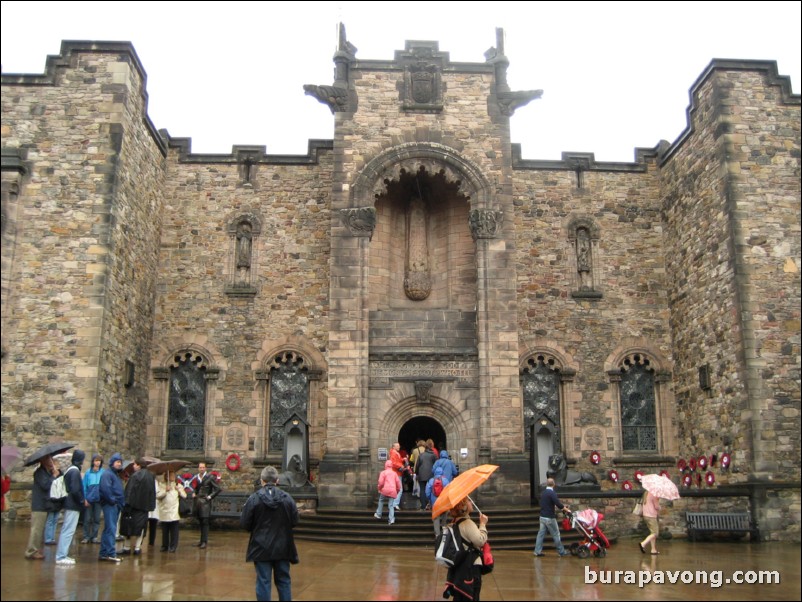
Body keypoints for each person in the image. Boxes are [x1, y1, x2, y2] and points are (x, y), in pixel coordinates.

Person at [241, 465, 300, 602]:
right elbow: (295, 521)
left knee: (263, 581)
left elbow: (245, 523)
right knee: (284, 581)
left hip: (261, 546)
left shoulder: (254, 499)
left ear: (262, 480)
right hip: (283, 547)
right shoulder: (288, 499)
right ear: (277, 480)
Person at [444, 498, 488, 601]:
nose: (471, 503)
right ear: (463, 506)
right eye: (468, 501)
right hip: (470, 567)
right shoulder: (467, 523)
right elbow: (480, 541)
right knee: (472, 596)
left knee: (460, 596)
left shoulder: (453, 523)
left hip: (459, 568)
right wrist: (483, 524)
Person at [25, 455, 59, 560]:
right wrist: (53, 476)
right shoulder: (40, 472)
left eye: (51, 459)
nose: (51, 461)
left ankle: (35, 549)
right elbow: (46, 485)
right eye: (48, 459)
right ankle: (31, 551)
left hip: (44, 505)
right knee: (36, 529)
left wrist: (55, 473)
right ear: (43, 461)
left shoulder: (46, 472)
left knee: (40, 530)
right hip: (39, 505)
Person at [121, 458, 157, 555]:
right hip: (144, 507)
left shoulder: (135, 476)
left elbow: (129, 491)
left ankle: (127, 547)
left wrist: (126, 504)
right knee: (141, 528)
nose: (133, 466)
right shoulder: (151, 476)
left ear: (139, 465)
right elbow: (152, 492)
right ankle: (137, 548)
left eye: (135, 464)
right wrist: (151, 506)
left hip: (133, 506)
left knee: (128, 527)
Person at [55, 449, 85, 565]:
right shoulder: (75, 471)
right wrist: (82, 501)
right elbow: (75, 489)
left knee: (67, 530)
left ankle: (62, 554)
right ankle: (61, 556)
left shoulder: (70, 470)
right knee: (68, 530)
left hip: (70, 503)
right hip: (73, 504)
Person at [98, 452, 125, 563]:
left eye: (120, 462)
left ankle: (104, 553)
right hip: (110, 505)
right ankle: (110, 553)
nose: (119, 464)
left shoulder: (115, 475)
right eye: (117, 462)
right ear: (112, 463)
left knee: (109, 529)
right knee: (111, 529)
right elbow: (105, 489)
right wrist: (113, 501)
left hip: (115, 504)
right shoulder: (107, 474)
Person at [534, 477, 570, 557]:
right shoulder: (552, 493)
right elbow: (557, 503)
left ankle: (537, 551)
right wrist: (565, 509)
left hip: (542, 517)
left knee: (540, 534)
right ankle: (561, 552)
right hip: (549, 517)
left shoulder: (543, 493)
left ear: (547, 484)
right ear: (554, 484)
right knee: (556, 534)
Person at [192, 462, 222, 549]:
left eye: (203, 467)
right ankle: (201, 541)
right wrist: (194, 493)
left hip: (205, 502)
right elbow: (196, 489)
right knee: (200, 521)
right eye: (200, 467)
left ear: (205, 468)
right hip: (198, 502)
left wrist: (210, 496)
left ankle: (204, 541)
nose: (201, 469)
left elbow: (218, 489)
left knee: (205, 521)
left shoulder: (210, 477)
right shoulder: (197, 478)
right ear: (198, 468)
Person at [156, 472, 187, 552]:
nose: (173, 477)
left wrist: (179, 490)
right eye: (170, 475)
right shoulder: (161, 485)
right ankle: (165, 545)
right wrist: (165, 491)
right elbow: (158, 496)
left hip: (174, 510)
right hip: (164, 510)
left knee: (174, 530)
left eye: (173, 475)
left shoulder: (178, 485)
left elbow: (184, 495)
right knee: (165, 530)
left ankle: (173, 546)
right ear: (167, 476)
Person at [81, 454, 104, 544]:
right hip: (89, 499)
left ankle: (94, 536)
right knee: (87, 519)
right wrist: (85, 499)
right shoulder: (88, 473)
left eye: (99, 461)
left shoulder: (103, 472)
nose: (97, 462)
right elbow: (84, 486)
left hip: (98, 499)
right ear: (93, 462)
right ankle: (86, 536)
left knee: (96, 519)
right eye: (96, 460)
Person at [374, 459, 401, 525]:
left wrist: (379, 489)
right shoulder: (394, 473)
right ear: (391, 466)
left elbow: (380, 482)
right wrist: (397, 490)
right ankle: (391, 519)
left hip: (385, 490)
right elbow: (398, 484)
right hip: (393, 490)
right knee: (391, 505)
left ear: (385, 465)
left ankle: (379, 514)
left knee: (381, 500)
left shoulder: (383, 472)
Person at [426, 466, 450, 537]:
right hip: (443, 502)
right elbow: (449, 491)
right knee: (444, 515)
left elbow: (427, 492)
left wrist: (430, 499)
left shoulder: (431, 480)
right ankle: (444, 529)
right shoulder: (446, 480)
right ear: (442, 472)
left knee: (436, 518)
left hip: (434, 502)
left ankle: (437, 535)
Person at [414, 444, 436, 510]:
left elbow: (417, 465)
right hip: (430, 475)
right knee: (430, 490)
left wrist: (416, 472)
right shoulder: (433, 455)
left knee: (422, 490)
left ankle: (423, 505)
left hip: (421, 475)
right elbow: (436, 465)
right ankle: (429, 504)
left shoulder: (421, 455)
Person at [388, 442, 405, 510]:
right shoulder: (394, 453)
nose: (399, 447)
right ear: (393, 447)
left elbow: (397, 461)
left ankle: (393, 503)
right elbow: (394, 463)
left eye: (399, 446)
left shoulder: (395, 453)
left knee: (396, 488)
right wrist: (401, 466)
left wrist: (403, 459)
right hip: (397, 473)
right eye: (397, 446)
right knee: (400, 489)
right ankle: (395, 504)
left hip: (397, 472)